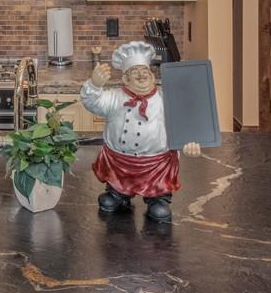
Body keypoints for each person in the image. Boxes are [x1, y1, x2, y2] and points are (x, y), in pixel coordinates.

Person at [80, 40, 200, 222]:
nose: (141, 75)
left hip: (155, 165)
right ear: (125, 78)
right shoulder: (114, 97)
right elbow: (92, 102)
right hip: (118, 163)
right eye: (135, 72)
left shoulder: (163, 99)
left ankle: (157, 199)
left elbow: (183, 120)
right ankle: (118, 194)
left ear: (152, 76)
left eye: (145, 71)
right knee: (112, 197)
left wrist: (189, 142)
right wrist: (94, 85)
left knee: (159, 209)